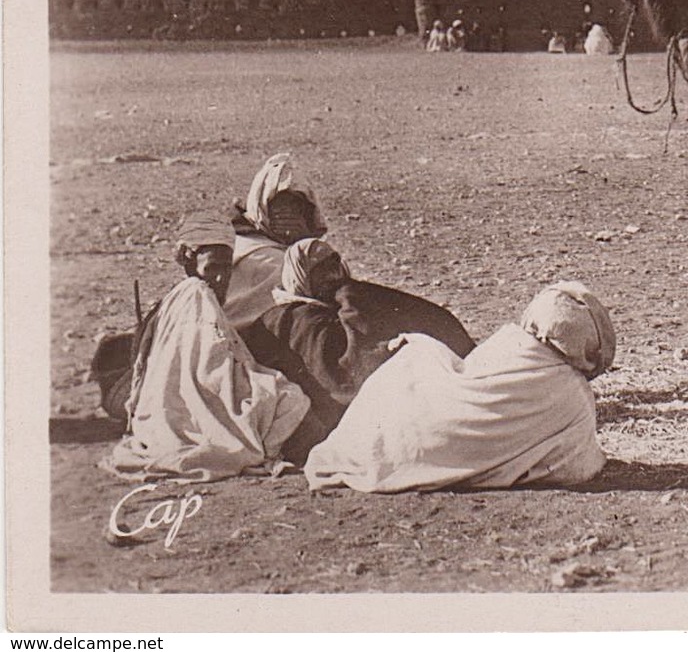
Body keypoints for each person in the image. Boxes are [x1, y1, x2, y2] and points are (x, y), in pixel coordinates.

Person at [304, 281, 615, 492]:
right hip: (433, 453)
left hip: (400, 437)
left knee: (416, 361)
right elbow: (581, 464)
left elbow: (466, 372)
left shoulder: (513, 342)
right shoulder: (573, 395)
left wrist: (423, 347)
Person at [103, 214, 311, 482]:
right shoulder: (197, 294)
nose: (221, 277)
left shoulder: (181, 294)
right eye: (212, 267)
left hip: (170, 405)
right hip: (192, 402)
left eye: (226, 268)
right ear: (189, 260)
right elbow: (210, 368)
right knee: (288, 400)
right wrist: (257, 382)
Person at [239, 238, 476, 459]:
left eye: (336, 270)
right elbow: (344, 377)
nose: (332, 278)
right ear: (301, 277)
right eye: (321, 274)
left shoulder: (324, 313)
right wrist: (350, 296)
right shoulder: (300, 319)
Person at [222, 153, 328, 330]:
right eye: (278, 205)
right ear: (261, 208)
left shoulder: (293, 254)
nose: (287, 214)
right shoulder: (260, 255)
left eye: (296, 205)